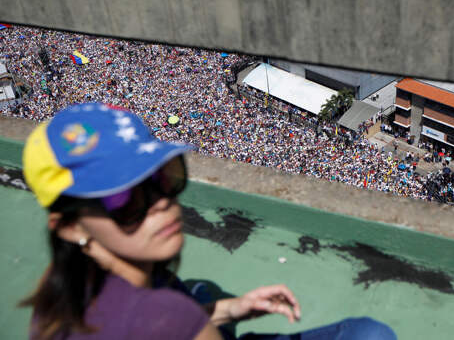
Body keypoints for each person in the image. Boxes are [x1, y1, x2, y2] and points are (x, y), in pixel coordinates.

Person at [20, 103, 397, 340]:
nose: (161, 204)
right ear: (70, 226)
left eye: (161, 177)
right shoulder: (168, 317)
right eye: (124, 199)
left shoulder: (61, 292)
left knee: (199, 292)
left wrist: (234, 308)